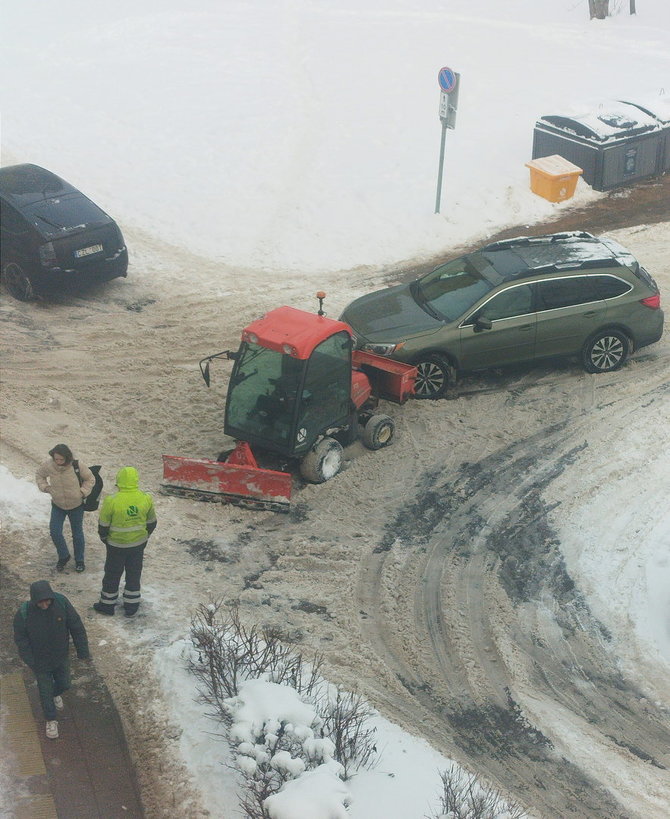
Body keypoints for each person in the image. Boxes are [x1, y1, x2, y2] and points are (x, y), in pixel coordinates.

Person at [13, 580, 91, 739]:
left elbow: (76, 626)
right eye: (40, 602)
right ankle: (51, 719)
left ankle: (55, 694)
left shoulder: (61, 603)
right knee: (44, 691)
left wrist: (83, 652)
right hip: (40, 662)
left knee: (65, 683)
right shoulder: (23, 614)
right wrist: (31, 661)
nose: (44, 604)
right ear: (34, 600)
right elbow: (21, 639)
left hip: (60, 657)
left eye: (47, 600)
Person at [94, 466, 157, 617]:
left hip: (116, 546)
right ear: (136, 480)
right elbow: (152, 522)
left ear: (119, 481)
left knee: (112, 574)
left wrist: (105, 539)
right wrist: (144, 538)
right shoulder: (145, 498)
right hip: (137, 545)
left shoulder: (112, 500)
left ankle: (107, 605)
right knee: (134, 574)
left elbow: (103, 525)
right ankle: (131, 606)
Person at [36, 444, 94, 572]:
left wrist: (83, 492)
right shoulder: (49, 465)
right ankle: (64, 555)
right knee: (55, 531)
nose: (58, 462)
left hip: (76, 506)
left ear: (67, 458)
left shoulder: (77, 465)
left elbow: (90, 479)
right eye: (56, 459)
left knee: (77, 533)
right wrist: (46, 487)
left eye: (61, 459)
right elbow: (39, 475)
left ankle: (79, 560)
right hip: (58, 505)